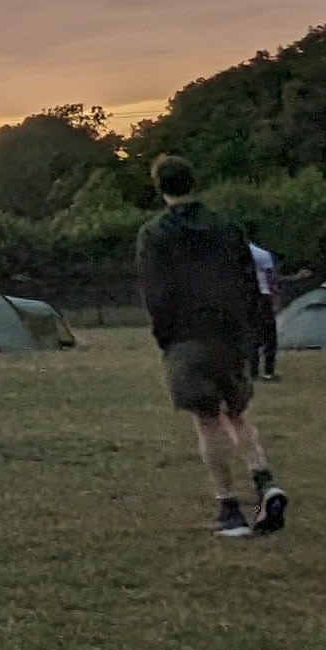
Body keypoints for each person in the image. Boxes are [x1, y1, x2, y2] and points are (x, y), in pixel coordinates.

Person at [135, 158, 287, 535]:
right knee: (236, 410)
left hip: (188, 334)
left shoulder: (154, 234)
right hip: (230, 332)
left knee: (207, 418)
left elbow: (156, 291)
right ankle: (264, 479)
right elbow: (247, 279)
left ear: (160, 187)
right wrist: (249, 330)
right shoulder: (227, 227)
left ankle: (228, 506)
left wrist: (164, 336)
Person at [247, 238, 283, 380]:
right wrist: (276, 300)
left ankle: (253, 371)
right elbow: (271, 279)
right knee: (269, 336)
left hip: (247, 299)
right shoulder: (261, 254)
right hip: (263, 298)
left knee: (252, 335)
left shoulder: (233, 254)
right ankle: (268, 371)